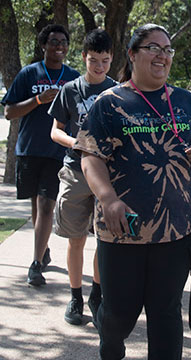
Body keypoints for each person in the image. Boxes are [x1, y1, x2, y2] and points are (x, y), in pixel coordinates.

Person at [75, 24, 191, 359]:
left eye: (167, 50)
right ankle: (110, 344)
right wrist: (108, 199)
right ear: (133, 54)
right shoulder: (110, 103)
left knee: (166, 313)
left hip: (176, 230)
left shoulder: (185, 100)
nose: (162, 56)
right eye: (154, 48)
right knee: (119, 315)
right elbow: (90, 157)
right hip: (123, 230)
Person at [2, 24, 80, 286]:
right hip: (29, 149)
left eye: (63, 42)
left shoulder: (74, 78)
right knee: (36, 205)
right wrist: (38, 100)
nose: (59, 46)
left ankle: (35, 265)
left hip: (58, 150)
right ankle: (42, 249)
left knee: (47, 204)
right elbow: (9, 112)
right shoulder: (29, 74)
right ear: (44, 45)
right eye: (53, 41)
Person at [48, 28, 116, 326]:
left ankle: (97, 295)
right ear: (83, 58)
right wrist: (75, 142)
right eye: (93, 60)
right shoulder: (70, 90)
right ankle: (75, 297)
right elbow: (55, 130)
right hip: (75, 172)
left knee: (105, 239)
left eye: (104, 60)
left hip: (108, 176)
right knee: (75, 239)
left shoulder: (118, 91)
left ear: (112, 59)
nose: (99, 67)